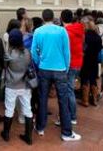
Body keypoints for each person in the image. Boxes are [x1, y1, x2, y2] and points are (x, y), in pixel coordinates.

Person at [31, 9, 81, 141]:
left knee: (42, 99)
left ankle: (40, 127)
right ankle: (66, 132)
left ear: (43, 18)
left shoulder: (38, 31)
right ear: (53, 18)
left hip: (44, 68)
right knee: (63, 101)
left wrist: (39, 62)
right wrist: (66, 67)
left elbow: (33, 52)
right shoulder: (61, 31)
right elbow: (67, 51)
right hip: (60, 69)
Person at [1, 29, 33, 145]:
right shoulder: (28, 52)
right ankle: (28, 136)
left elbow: (5, 67)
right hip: (25, 85)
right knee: (27, 109)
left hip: (11, 85)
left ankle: (6, 133)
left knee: (9, 109)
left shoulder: (8, 55)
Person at [59, 9, 84, 125]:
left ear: (62, 18)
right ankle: (70, 115)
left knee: (68, 91)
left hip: (69, 64)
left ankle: (71, 116)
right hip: (78, 62)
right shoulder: (78, 29)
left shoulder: (65, 32)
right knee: (70, 89)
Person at [80, 18, 102, 106]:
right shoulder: (98, 37)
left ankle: (85, 100)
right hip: (94, 60)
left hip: (85, 60)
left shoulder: (85, 36)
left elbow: (83, 48)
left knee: (85, 79)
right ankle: (94, 99)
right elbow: (100, 48)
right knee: (93, 79)